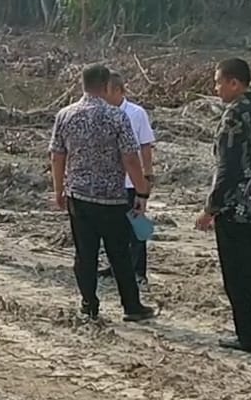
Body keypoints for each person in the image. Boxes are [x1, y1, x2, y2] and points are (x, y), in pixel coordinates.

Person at [49, 64, 157, 322]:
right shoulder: (117, 117)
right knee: (118, 253)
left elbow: (56, 156)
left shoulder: (65, 115)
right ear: (106, 86)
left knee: (85, 253)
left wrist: (58, 190)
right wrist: (142, 191)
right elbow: (131, 158)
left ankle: (89, 304)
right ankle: (131, 306)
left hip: (79, 195)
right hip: (111, 197)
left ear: (82, 84)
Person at [195, 58, 251, 354]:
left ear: (235, 83)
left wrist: (211, 208)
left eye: (219, 81)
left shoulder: (234, 116)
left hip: (238, 207)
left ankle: (249, 336)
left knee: (239, 273)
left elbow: (228, 168)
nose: (216, 87)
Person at [96, 72, 155, 286]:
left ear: (119, 91)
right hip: (111, 182)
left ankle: (139, 270)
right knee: (113, 228)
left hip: (133, 181)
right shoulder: (101, 114)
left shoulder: (136, 113)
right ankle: (115, 266)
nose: (103, 96)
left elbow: (146, 145)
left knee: (137, 226)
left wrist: (147, 176)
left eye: (107, 91)